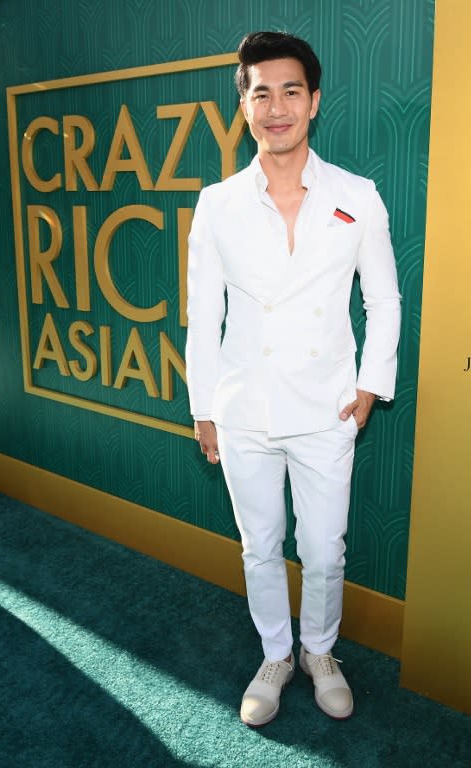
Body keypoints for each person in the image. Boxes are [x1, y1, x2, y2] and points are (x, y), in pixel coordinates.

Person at [185, 31, 401, 727]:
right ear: (243, 105)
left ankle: (320, 652)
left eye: (290, 91)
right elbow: (204, 314)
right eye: (260, 93)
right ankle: (275, 655)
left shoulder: (357, 197)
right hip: (243, 406)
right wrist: (203, 406)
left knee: (323, 549)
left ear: (313, 102)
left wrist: (369, 389)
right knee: (258, 545)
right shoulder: (217, 204)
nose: (276, 106)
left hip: (327, 407)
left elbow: (385, 301)